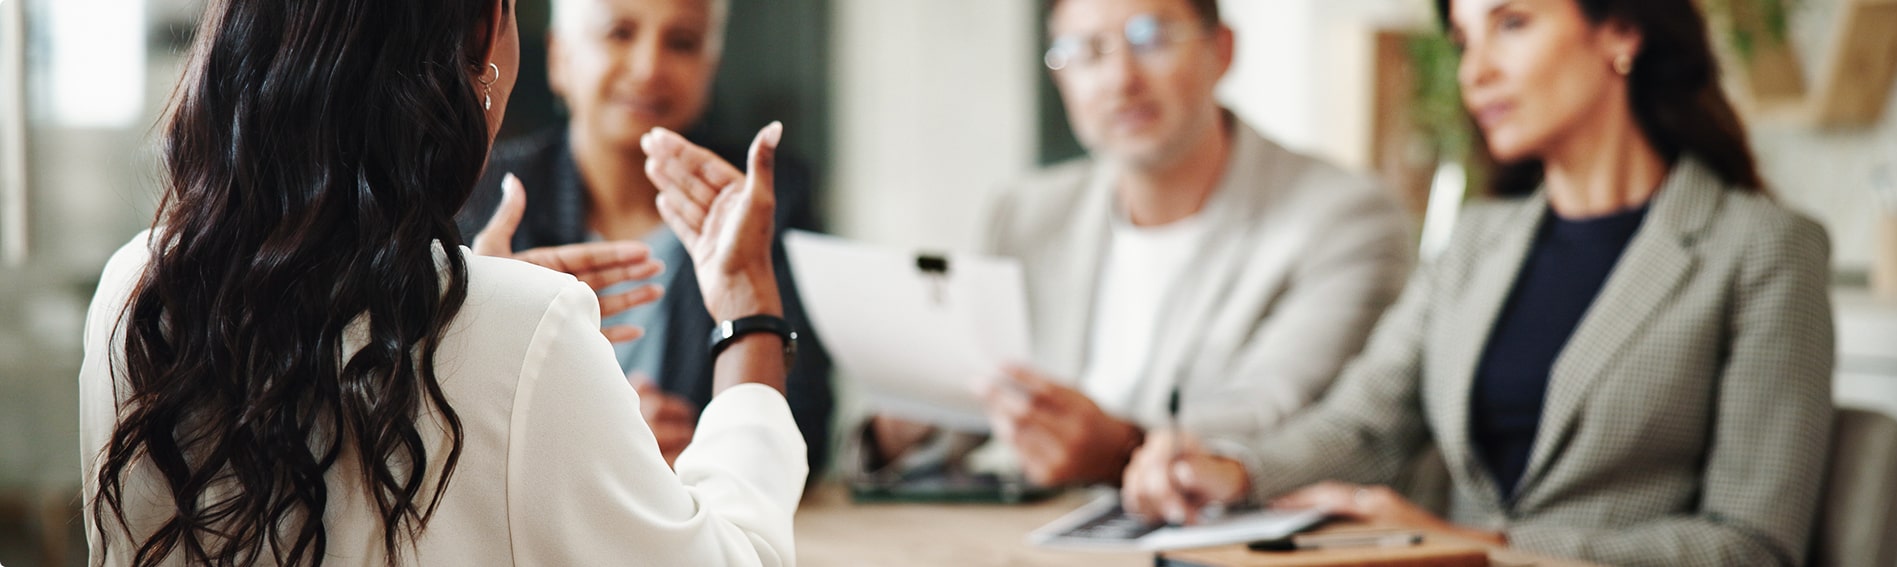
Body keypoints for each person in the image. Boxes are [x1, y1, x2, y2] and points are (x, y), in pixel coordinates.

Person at [77, 0, 808, 563]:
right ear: (485, 41)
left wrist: (487, 312)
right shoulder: (530, 331)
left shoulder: (132, 292)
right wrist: (749, 314)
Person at [1122, 0, 1834, 564]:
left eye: (1512, 24)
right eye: (1465, 39)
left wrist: (1481, 548)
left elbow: (1748, 545)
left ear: (1620, 30)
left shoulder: (1761, 250)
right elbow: (1361, 423)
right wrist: (1230, 470)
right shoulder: (1475, 241)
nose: (1474, 72)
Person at [861, 0, 1413, 488]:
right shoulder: (1026, 213)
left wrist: (1119, 448)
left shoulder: (1345, 216)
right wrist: (902, 423)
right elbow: (966, 429)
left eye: (1151, 38)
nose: (1120, 79)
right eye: (1087, 51)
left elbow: (1279, 412)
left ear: (1222, 50)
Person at [453, 0, 833, 474]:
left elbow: (807, 424)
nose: (650, 67)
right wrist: (602, 442)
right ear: (560, 59)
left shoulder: (762, 203)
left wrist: (707, 451)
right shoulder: (482, 195)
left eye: (682, 43)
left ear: (709, 68)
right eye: (619, 33)